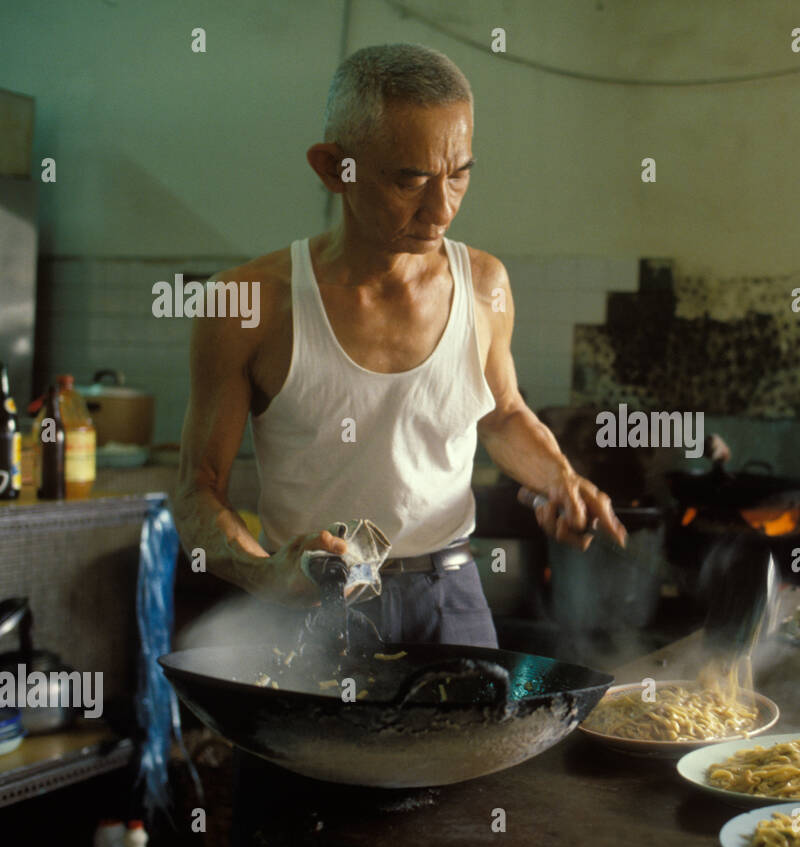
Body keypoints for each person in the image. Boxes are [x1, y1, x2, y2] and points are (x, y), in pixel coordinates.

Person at [175, 43, 626, 648]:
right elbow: (197, 487)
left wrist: (561, 480)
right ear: (335, 168)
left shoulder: (484, 284)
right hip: (312, 601)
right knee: (301, 748)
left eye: (459, 174)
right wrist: (266, 574)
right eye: (410, 179)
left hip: (453, 594)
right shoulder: (249, 303)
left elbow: (501, 413)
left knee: (470, 744)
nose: (441, 209)